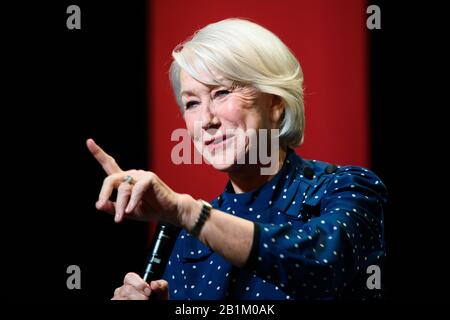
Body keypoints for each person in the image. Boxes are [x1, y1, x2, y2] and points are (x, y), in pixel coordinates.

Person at [87, 18, 387, 300]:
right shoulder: (185, 236)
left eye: (221, 93)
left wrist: (189, 214)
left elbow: (324, 266)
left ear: (276, 104)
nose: (206, 119)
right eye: (191, 103)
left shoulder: (347, 189)